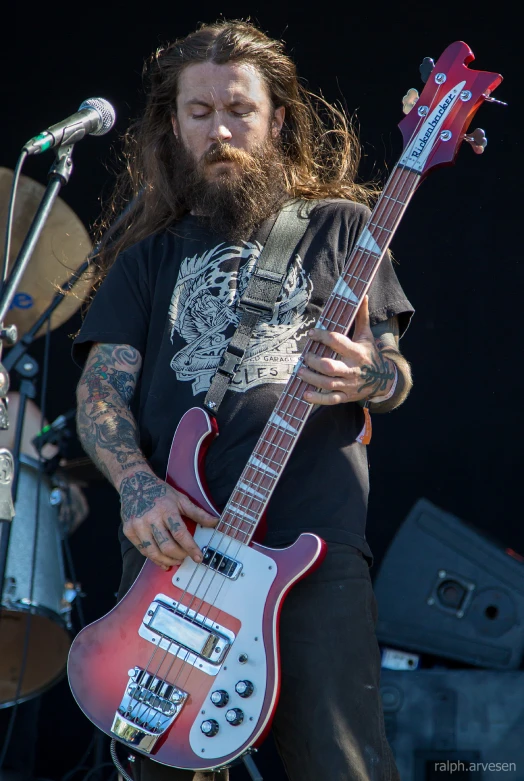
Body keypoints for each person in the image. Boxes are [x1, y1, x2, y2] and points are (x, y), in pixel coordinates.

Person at [72, 20, 414, 781]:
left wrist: (370, 377)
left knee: (341, 764)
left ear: (278, 119)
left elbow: (393, 371)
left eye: (240, 110)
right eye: (200, 113)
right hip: (177, 553)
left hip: (311, 549)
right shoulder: (144, 255)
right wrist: (136, 483)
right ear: (173, 125)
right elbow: (101, 387)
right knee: (159, 769)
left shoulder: (344, 229)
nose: (221, 130)